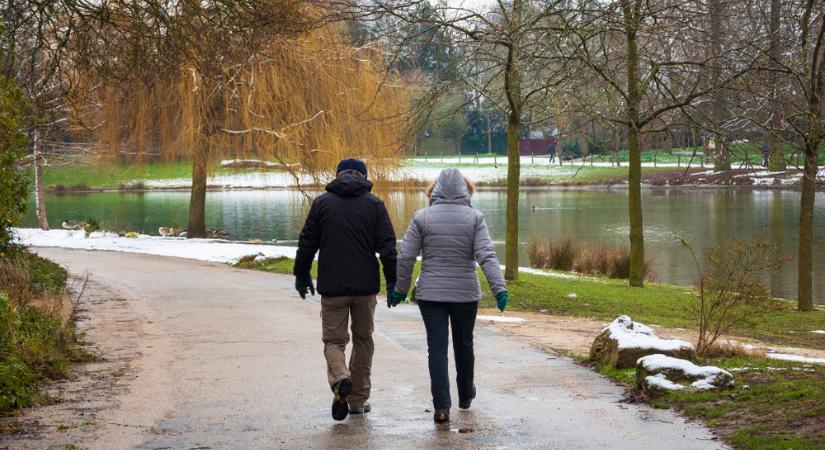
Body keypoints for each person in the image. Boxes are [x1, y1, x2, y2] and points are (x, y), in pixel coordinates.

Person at [389, 168, 508, 424]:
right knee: (464, 345)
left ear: (435, 191)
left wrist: (400, 288)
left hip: (431, 295)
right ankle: (465, 395)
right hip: (465, 295)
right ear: (467, 191)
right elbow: (486, 255)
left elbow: (406, 257)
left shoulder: (422, 217)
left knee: (437, 348)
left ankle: (442, 406)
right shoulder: (475, 218)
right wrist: (499, 288)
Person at [293, 158, 397, 421]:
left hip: (333, 286)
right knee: (363, 340)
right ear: (364, 176)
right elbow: (387, 246)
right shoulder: (374, 205)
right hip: (365, 287)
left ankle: (340, 378)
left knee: (334, 341)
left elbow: (307, 242)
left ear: (337, 174)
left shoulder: (322, 203)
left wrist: (302, 274)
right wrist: (393, 280)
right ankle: (358, 400)